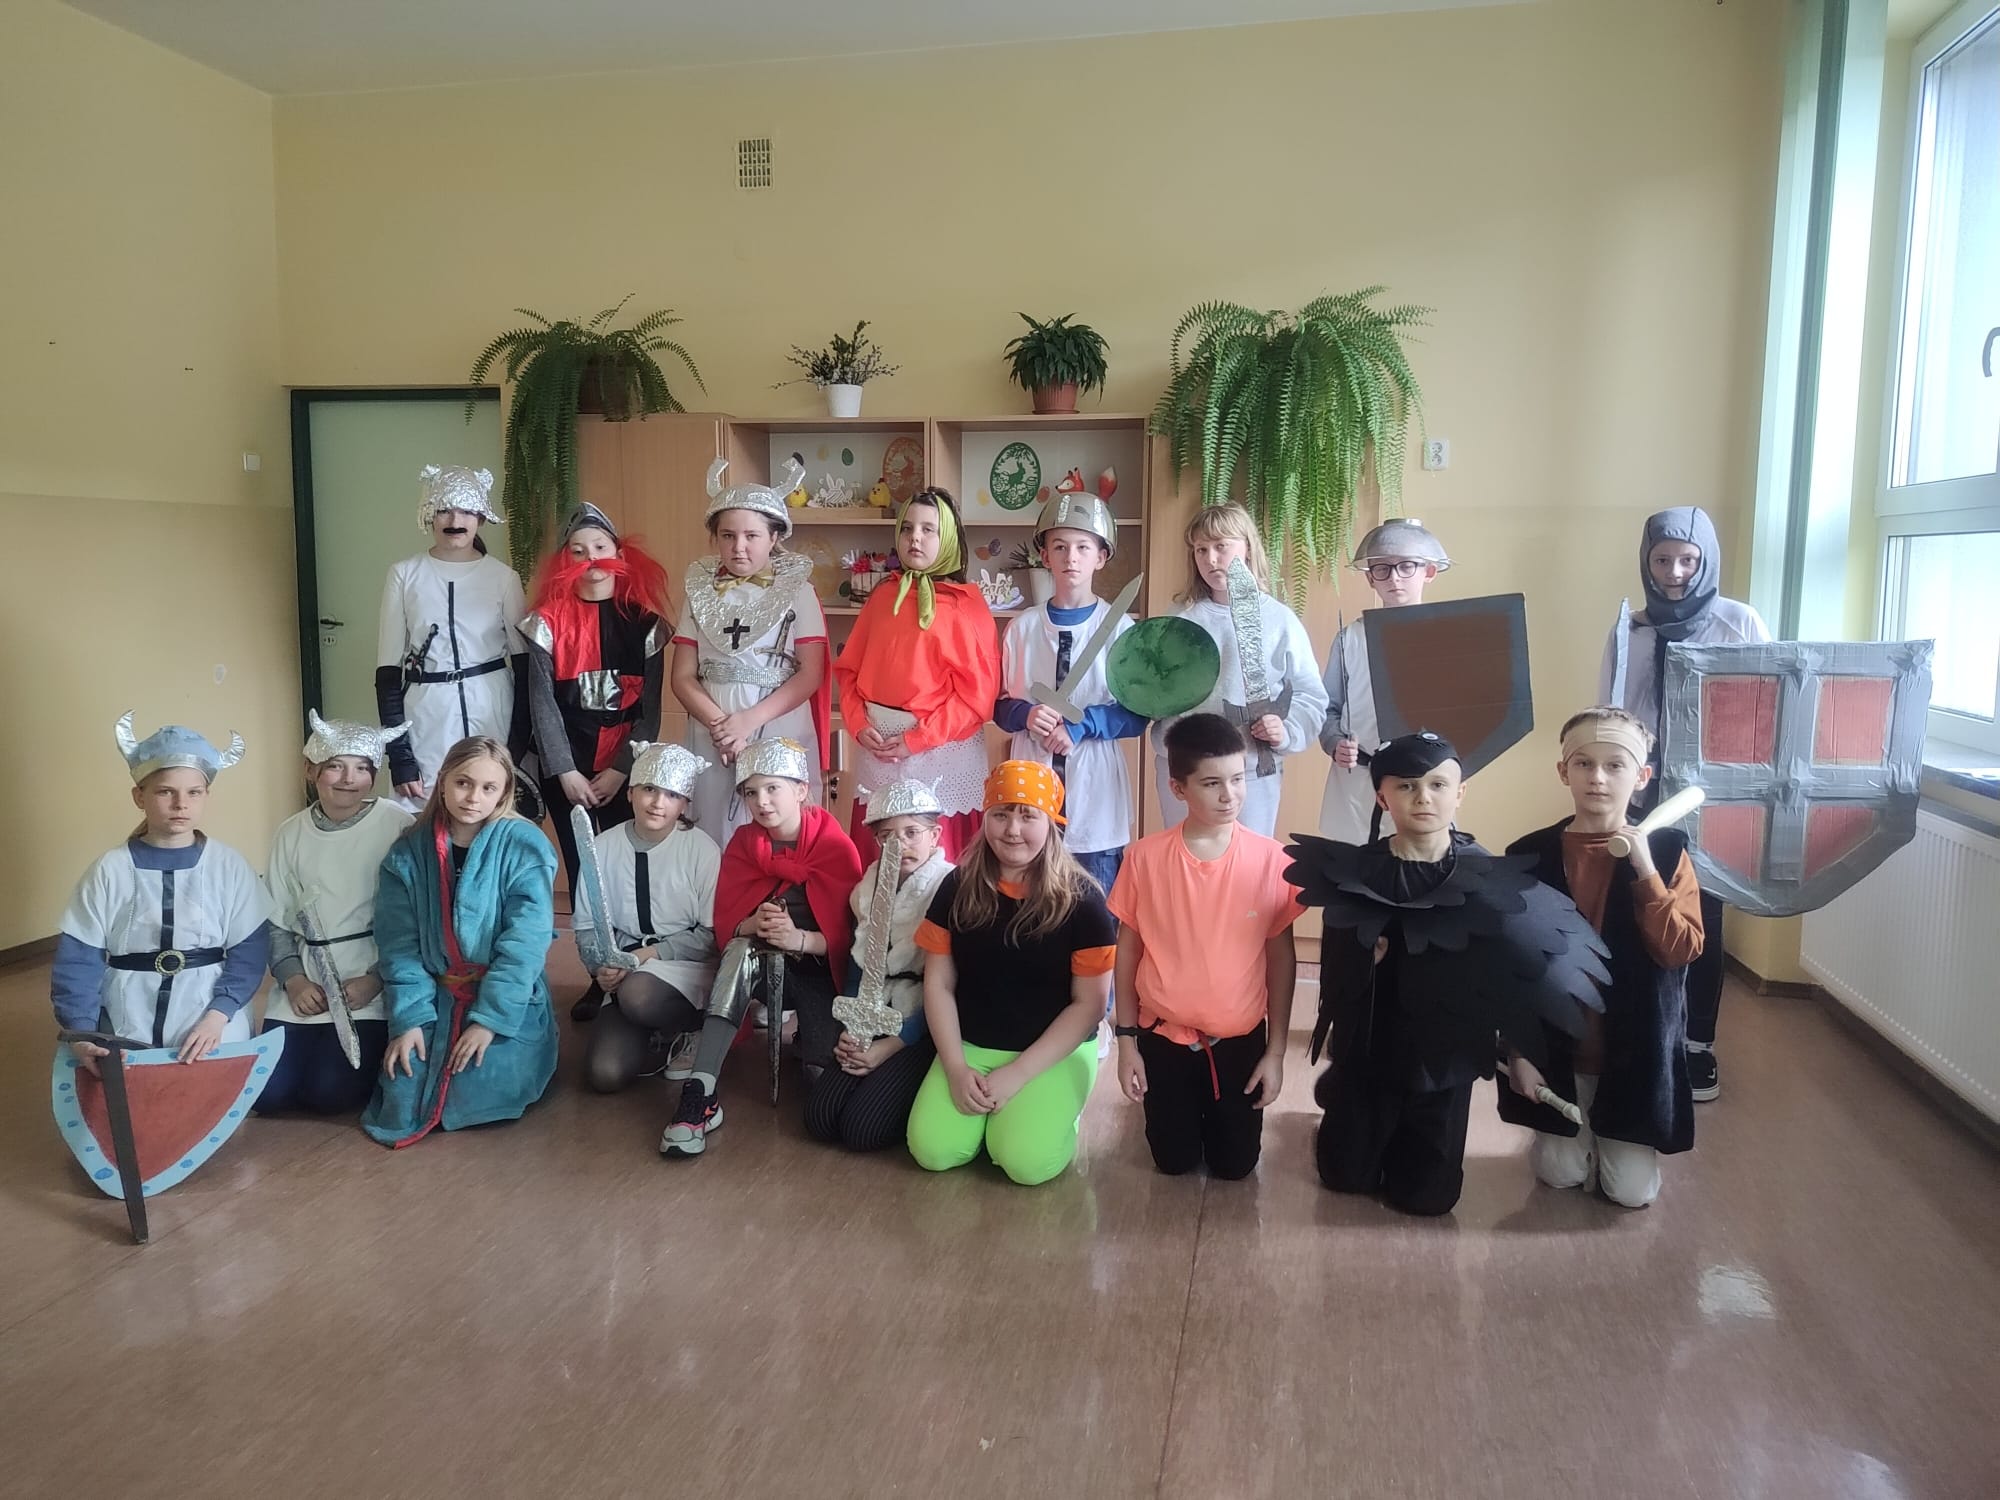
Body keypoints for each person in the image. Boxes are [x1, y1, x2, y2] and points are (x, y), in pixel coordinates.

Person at [1498, 708, 1704, 1209]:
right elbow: (1511, 968)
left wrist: (1645, 871)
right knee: (1559, 1174)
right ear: (1563, 771)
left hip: (1632, 1056)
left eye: (1615, 765)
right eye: (1584, 763)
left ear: (1641, 777)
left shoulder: (1668, 854)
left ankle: (1609, 1144)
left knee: (1630, 1193)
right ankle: (1577, 1143)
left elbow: (1679, 950)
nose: (1598, 778)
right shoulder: (1528, 855)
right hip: (1559, 1053)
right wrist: (1519, 1053)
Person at [1599, 506, 1769, 1103]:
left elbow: (1766, 708)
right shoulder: (1629, 630)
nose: (1674, 573)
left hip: (1714, 798)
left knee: (1704, 918)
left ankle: (1697, 1045)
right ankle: (1646, 1035)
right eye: (1662, 559)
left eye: (1689, 560)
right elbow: (1610, 715)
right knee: (1643, 908)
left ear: (1707, 561)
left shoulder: (1738, 622)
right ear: (1646, 562)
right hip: (1644, 795)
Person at [906, 761, 1115, 1186]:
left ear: (1051, 822)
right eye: (1001, 814)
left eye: (1027, 815)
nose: (1013, 829)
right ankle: (998, 1123)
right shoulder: (957, 886)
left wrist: (1019, 1074)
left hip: (1052, 1051)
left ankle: (1051, 1114)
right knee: (932, 1150)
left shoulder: (1084, 901)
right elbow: (939, 983)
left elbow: (1089, 1006)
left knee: (1026, 1163)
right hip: (973, 1046)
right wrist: (955, 1068)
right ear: (985, 819)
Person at [1110, 715, 1299, 1179]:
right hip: (1161, 1038)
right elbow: (1128, 953)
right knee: (1172, 1163)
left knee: (1235, 1167)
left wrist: (1275, 1053)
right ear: (1178, 788)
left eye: (1238, 779)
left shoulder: (1273, 860)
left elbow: (1281, 960)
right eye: (1212, 783)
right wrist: (1127, 1042)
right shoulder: (1144, 858)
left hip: (1239, 1042)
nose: (1229, 795)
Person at [662, 737, 863, 1158]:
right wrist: (751, 924)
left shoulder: (835, 846)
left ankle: (810, 1038)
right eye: (751, 792)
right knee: (739, 950)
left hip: (818, 975)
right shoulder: (744, 844)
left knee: (822, 1087)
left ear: (801, 790)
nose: (762, 802)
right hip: (755, 970)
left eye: (773, 788)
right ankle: (700, 1092)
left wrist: (800, 939)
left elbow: (855, 939)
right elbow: (727, 923)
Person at [362, 736, 559, 1147]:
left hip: (504, 997)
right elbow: (399, 946)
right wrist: (410, 1020)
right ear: (443, 781)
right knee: (404, 1088)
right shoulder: (407, 853)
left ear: (504, 792)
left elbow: (525, 943)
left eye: (489, 788)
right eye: (463, 783)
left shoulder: (526, 846)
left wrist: (490, 1022)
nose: (473, 798)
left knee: (480, 1084)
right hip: (435, 997)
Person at [54, 715, 272, 1071]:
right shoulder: (109, 869)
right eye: (165, 791)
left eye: (193, 792)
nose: (180, 803)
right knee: (130, 1093)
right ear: (139, 796)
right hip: (128, 1015)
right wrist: (81, 1032)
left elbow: (249, 952)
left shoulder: (230, 866)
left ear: (206, 796)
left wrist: (218, 1015)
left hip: (211, 1016)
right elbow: (78, 959)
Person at [259, 712, 414, 1113]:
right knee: (270, 1096)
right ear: (311, 770)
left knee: (330, 1093)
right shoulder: (290, 833)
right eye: (335, 766)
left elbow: (416, 917)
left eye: (362, 768)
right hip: (306, 979)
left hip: (366, 981)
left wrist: (376, 979)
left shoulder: (397, 825)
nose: (349, 779)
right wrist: (293, 980)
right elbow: (275, 920)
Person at [672, 457, 829, 850]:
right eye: (727, 536)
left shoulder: (799, 591)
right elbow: (682, 676)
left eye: (751, 536)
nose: (738, 547)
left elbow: (810, 673)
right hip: (713, 731)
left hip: (777, 724)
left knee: (780, 828)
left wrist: (748, 722)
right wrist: (723, 729)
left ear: (774, 537)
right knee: (713, 829)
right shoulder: (698, 591)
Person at [994, 490, 1146, 895]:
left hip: (1095, 786)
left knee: (1095, 904)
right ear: (1044, 556)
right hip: (1031, 778)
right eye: (1059, 547)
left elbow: (1136, 715)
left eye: (1083, 547)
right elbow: (1000, 706)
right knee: (1029, 903)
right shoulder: (1023, 628)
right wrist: (1026, 715)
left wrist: (1082, 726)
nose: (1071, 558)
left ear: (1101, 556)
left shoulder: (1120, 630)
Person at [833, 487, 999, 858]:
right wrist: (858, 725)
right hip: (878, 749)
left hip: (939, 753)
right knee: (879, 859)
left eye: (928, 529)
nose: (915, 538)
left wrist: (918, 739)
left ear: (949, 538)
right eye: (907, 528)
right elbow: (849, 672)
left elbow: (977, 698)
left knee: (938, 862)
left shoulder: (967, 607)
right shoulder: (881, 598)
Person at [520, 501, 670, 900]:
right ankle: (589, 941)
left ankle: (633, 939)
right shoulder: (545, 624)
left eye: (600, 548)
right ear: (565, 560)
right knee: (581, 868)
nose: (591, 559)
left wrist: (620, 770)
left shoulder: (646, 626)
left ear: (619, 553)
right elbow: (543, 707)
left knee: (628, 865)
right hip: (566, 770)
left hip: (625, 768)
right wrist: (566, 772)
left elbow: (649, 712)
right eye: (579, 551)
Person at [1152, 503, 1327, 839]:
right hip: (1185, 768)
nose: (1211, 559)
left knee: (1248, 862)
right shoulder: (1179, 619)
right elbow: (1151, 689)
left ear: (1247, 547)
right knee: (1184, 858)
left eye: (1221, 546)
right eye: (1201, 549)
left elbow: (1310, 694)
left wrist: (1285, 729)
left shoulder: (1278, 620)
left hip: (1251, 770)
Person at [803, 778, 954, 1152]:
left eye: (912, 832)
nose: (900, 844)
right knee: (820, 1118)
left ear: (935, 835)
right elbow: (860, 965)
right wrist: (853, 1030)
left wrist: (891, 1047)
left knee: (862, 1130)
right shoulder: (866, 890)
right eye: (888, 836)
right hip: (872, 1012)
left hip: (924, 1022)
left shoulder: (951, 887)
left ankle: (912, 1090)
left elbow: (949, 988)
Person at [574, 741, 723, 1095]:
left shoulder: (702, 850)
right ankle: (656, 1031)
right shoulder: (603, 847)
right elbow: (587, 927)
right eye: (649, 789)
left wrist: (645, 956)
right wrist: (601, 967)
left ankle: (693, 1026)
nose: (658, 802)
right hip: (626, 971)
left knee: (638, 994)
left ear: (685, 803)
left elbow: (711, 936)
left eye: (672, 795)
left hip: (683, 966)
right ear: (630, 793)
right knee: (605, 1074)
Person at [376, 464, 528, 811]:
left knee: (488, 810)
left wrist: (516, 748)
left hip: (491, 708)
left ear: (481, 517)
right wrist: (399, 756)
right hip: (426, 714)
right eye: (444, 509)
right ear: (429, 514)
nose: (454, 520)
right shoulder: (404, 575)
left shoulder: (503, 578)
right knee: (422, 813)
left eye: (466, 510)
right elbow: (387, 671)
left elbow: (525, 668)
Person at [1318, 519, 1452, 843]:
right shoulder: (1351, 639)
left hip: (1425, 778)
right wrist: (1335, 743)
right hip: (1358, 780)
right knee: (1353, 862)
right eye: (1382, 569)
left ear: (1429, 571)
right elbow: (1327, 707)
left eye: (1406, 566)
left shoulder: (1448, 638)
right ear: (1370, 577)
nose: (1394, 578)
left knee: (1419, 861)